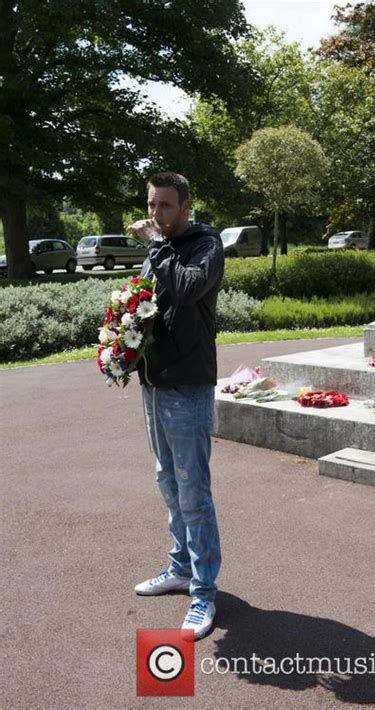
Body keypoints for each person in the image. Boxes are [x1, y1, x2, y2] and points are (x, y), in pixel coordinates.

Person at [129, 172, 224, 640]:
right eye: (151, 205)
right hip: (155, 384)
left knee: (193, 491)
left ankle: (204, 591)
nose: (155, 215)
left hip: (188, 386)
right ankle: (181, 568)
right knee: (167, 482)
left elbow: (186, 290)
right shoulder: (158, 250)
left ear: (185, 205)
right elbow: (147, 306)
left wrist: (155, 247)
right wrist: (121, 345)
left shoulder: (206, 245)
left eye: (164, 206)